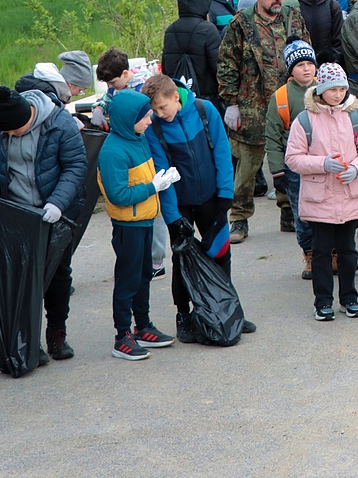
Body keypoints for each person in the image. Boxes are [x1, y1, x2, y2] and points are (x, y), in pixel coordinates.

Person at [141, 73, 252, 343]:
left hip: (212, 197)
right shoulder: (155, 128)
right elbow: (162, 172)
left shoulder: (205, 110)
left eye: (162, 107)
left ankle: (227, 307)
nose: (159, 113)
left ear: (175, 96)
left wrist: (226, 194)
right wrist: (173, 217)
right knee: (182, 260)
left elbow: (222, 151)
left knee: (221, 253)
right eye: (153, 110)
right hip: (180, 204)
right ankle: (184, 314)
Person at [0, 84, 88, 364]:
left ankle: (57, 333)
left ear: (29, 119)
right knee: (21, 278)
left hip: (56, 211)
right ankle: (27, 339)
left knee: (58, 276)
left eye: (14, 132)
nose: (9, 136)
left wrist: (57, 203)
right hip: (17, 214)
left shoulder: (59, 124)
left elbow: (75, 165)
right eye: (5, 133)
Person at [217, 0, 310, 244]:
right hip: (253, 105)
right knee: (247, 166)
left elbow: (306, 51)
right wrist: (231, 102)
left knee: (288, 159)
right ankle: (239, 219)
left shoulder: (293, 17)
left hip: (288, 103)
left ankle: (288, 212)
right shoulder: (241, 24)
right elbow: (226, 64)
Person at [285, 63, 358, 322]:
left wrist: (356, 169)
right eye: (333, 89)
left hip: (349, 196)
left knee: (348, 252)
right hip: (320, 199)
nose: (338, 94)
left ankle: (350, 298)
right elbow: (293, 158)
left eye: (342, 89)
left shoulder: (356, 116)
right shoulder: (304, 119)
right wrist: (323, 163)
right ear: (321, 89)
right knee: (322, 252)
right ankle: (322, 302)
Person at [98, 89, 178, 360]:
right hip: (128, 225)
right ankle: (122, 336)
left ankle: (142, 327)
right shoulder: (112, 152)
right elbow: (117, 195)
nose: (150, 120)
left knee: (145, 275)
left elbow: (142, 177)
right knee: (128, 280)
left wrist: (161, 179)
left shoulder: (138, 137)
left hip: (145, 220)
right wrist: (153, 186)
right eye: (145, 116)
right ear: (127, 118)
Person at [265, 41, 317, 278]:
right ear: (290, 70)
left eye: (310, 64)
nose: (306, 69)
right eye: (300, 65)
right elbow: (273, 137)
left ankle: (334, 254)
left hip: (326, 164)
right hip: (295, 168)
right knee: (302, 213)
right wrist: (277, 171)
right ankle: (310, 255)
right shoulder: (281, 98)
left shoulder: (329, 90)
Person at [161, 0, 222, 105]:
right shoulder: (208, 29)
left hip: (180, 98)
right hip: (207, 100)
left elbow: (166, 66)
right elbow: (219, 67)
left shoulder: (170, 30)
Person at [295, 0, 344, 66]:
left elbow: (338, 39)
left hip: (328, 64)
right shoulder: (295, 6)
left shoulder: (332, 5)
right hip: (302, 65)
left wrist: (332, 62)